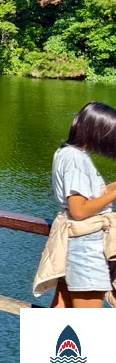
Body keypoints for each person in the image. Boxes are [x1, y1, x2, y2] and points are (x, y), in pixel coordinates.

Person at [37, 102, 116, 308]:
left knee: (61, 313)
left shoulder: (66, 153)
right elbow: (79, 210)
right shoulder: (76, 160)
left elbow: (91, 196)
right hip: (86, 247)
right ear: (98, 131)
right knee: (88, 327)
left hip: (73, 243)